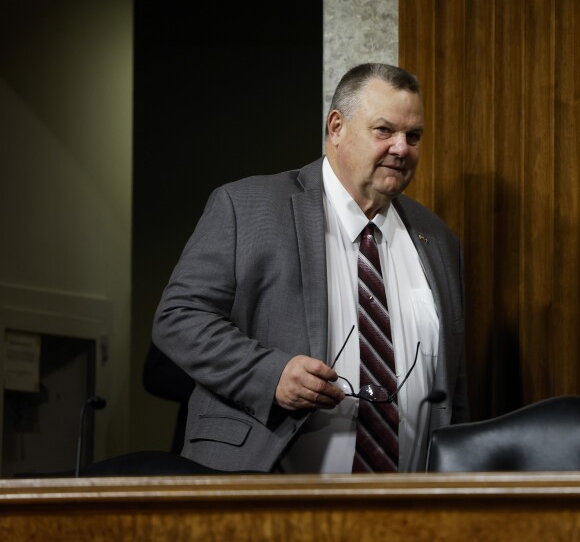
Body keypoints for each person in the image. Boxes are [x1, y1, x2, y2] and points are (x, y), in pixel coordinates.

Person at [152, 63, 468, 473]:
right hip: (262, 496)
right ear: (336, 127)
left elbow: (453, 390)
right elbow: (178, 317)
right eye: (384, 130)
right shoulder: (246, 207)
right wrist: (271, 375)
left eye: (414, 136)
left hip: (405, 510)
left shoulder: (438, 240)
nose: (402, 148)